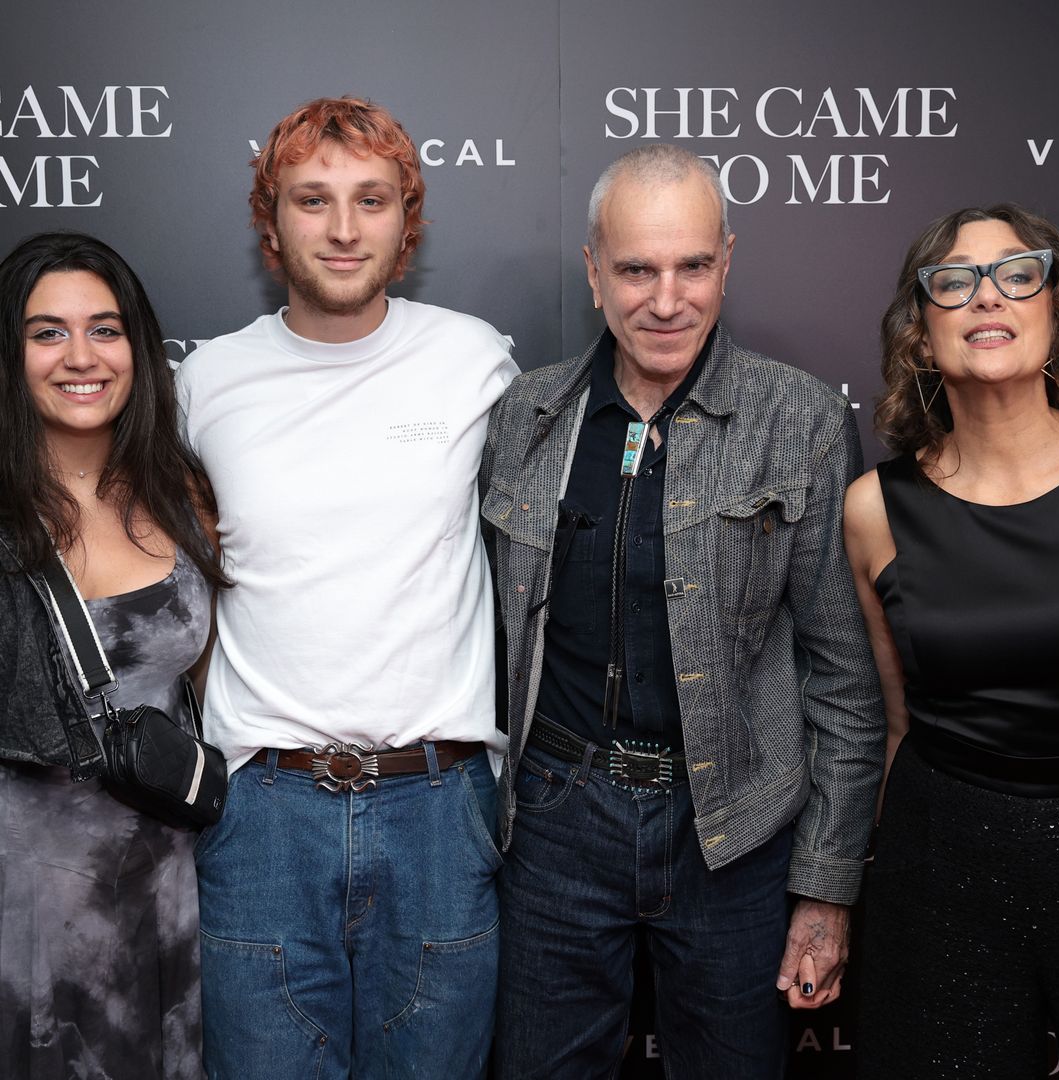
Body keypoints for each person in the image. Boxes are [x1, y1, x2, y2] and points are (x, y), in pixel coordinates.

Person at [481, 143, 885, 1079]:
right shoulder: (527, 416)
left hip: (734, 828)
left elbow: (844, 683)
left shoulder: (802, 420)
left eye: (692, 266)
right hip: (554, 821)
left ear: (726, 262)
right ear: (593, 272)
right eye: (636, 269)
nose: (667, 301)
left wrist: (825, 890)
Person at [174, 96, 517, 1080]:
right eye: (311, 200)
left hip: (440, 807)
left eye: (371, 200)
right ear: (269, 221)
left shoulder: (477, 359)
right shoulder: (207, 383)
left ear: (407, 220)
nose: (341, 227)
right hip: (263, 815)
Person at [847, 204, 1059, 1078]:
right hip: (944, 855)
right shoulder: (874, 508)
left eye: (1018, 274)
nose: (989, 297)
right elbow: (897, 719)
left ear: (1056, 307)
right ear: (922, 329)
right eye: (955, 281)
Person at [0, 232, 226, 1079]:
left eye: (105, 328)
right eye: (46, 332)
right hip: (18, 897)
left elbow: (197, 681)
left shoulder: (183, 494)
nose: (81, 356)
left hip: (165, 887)